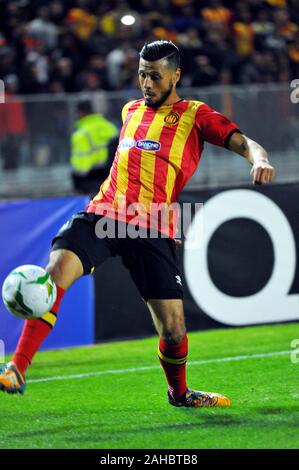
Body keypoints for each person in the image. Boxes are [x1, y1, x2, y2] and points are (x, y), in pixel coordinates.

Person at [0, 41, 275, 408]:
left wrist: (259, 159)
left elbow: (245, 144)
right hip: (103, 213)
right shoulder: (130, 110)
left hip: (152, 226)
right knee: (56, 271)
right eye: (142, 74)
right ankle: (17, 367)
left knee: (174, 331)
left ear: (175, 76)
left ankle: (180, 393)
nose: (146, 82)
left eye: (155, 76)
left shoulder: (195, 114)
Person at [70, 99, 118, 196]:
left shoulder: (81, 135)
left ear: (80, 113)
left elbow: (79, 169)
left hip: (91, 183)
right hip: (113, 179)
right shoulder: (111, 127)